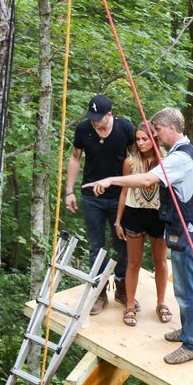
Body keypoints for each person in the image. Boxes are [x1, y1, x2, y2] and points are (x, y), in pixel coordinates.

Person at [82, 107, 193, 365]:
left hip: (188, 230)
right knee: (190, 285)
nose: (156, 135)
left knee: (187, 289)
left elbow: (145, 181)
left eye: (158, 130)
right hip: (189, 225)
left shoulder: (179, 158)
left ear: (171, 128)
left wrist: (110, 180)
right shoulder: (187, 150)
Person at [65, 95, 135, 315]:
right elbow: (75, 158)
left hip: (119, 197)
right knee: (97, 246)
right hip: (91, 197)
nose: (95, 122)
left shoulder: (125, 128)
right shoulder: (83, 129)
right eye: (92, 117)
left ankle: (122, 289)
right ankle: (99, 293)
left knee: (122, 245)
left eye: (99, 118)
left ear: (109, 115)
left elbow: (136, 158)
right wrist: (69, 191)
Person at [115, 123, 169, 327]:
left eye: (145, 138)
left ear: (155, 138)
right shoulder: (130, 162)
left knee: (160, 261)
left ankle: (161, 303)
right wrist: (118, 221)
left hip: (158, 215)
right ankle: (129, 305)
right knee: (133, 262)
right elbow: (123, 192)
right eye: (138, 139)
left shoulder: (165, 162)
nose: (141, 143)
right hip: (134, 214)